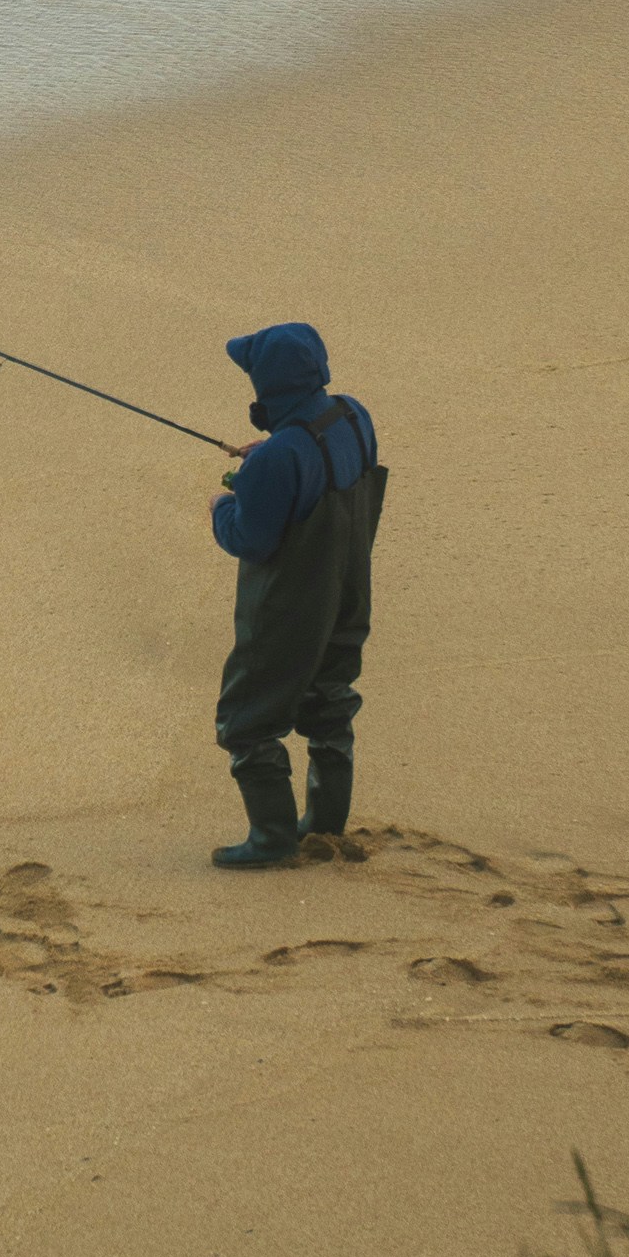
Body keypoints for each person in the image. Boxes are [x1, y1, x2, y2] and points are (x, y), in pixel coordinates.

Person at [206, 322, 385, 870]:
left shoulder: (277, 459)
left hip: (289, 607)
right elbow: (315, 450)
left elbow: (249, 538)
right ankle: (326, 821)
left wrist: (221, 506)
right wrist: (271, 452)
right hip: (349, 589)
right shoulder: (354, 415)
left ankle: (272, 839)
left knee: (247, 720)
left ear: (266, 385)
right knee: (329, 698)